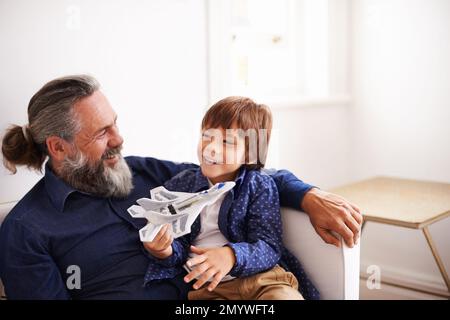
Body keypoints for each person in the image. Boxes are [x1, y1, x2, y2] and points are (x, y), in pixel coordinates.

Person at [0, 75, 362, 299]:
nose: (119, 138)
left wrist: (307, 194)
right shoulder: (25, 232)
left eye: (115, 123)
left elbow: (231, 178)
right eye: (101, 133)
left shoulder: (141, 171)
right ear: (59, 147)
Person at [143, 96, 318, 300]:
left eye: (227, 142)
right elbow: (179, 248)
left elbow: (269, 246)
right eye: (207, 136)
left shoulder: (259, 186)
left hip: (263, 281)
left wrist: (231, 256)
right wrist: (163, 250)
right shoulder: (182, 185)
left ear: (250, 154)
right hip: (210, 289)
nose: (211, 148)